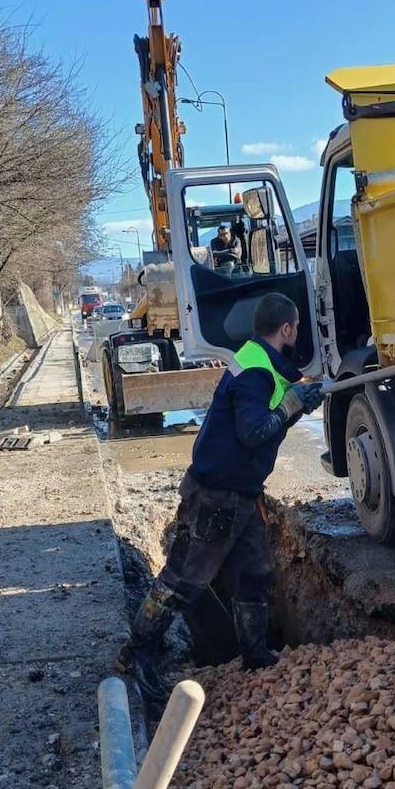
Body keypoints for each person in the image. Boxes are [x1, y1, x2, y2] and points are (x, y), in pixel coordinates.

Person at [117, 292, 324, 702]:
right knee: (183, 579)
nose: (298, 334)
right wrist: (291, 406)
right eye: (297, 327)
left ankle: (256, 655)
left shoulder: (258, 360)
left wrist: (297, 406)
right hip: (217, 496)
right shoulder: (256, 372)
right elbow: (253, 432)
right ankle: (137, 656)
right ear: (286, 329)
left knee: (253, 575)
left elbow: (266, 418)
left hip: (242, 493)